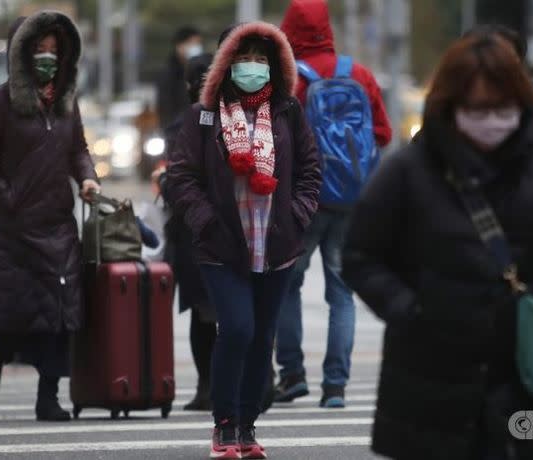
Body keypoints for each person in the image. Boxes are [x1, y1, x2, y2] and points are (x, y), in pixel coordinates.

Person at [341, 31, 533, 459]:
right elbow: (361, 255)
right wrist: (411, 312)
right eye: (477, 109)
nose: (491, 120)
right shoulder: (407, 172)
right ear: (450, 106)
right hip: (429, 376)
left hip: (523, 372)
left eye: (502, 108)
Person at [167, 22, 321, 459]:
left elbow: (311, 170)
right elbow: (182, 176)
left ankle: (248, 428)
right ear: (225, 63)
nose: (251, 66)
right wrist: (205, 221)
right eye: (242, 57)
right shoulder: (204, 114)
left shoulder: (288, 110)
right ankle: (224, 425)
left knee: (261, 338)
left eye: (259, 57)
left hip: (276, 244)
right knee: (236, 329)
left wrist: (298, 214)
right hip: (223, 245)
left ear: (273, 64)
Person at [0, 11, 100, 421]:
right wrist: (7, 198)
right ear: (20, 54)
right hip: (8, 228)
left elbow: (78, 149)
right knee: (12, 309)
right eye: (39, 49)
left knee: (59, 314)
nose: (47, 57)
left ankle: (49, 397)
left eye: (54, 50)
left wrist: (87, 179)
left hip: (57, 224)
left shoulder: (65, 101)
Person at [274, 0, 392, 408]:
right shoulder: (357, 73)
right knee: (341, 293)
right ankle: (336, 387)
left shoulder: (289, 79)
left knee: (287, 284)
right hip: (352, 198)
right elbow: (383, 133)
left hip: (304, 200)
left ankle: (291, 375)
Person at [157, 52, 216, 412]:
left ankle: (208, 386)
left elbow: (175, 184)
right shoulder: (232, 118)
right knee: (211, 312)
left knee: (202, 313)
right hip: (214, 230)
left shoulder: (181, 125)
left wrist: (164, 183)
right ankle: (212, 385)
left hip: (192, 232)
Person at [156, 26, 203, 136]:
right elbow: (165, 108)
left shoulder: (201, 71)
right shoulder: (168, 74)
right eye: (192, 43)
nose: (196, 47)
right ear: (179, 45)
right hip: (176, 132)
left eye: (198, 43)